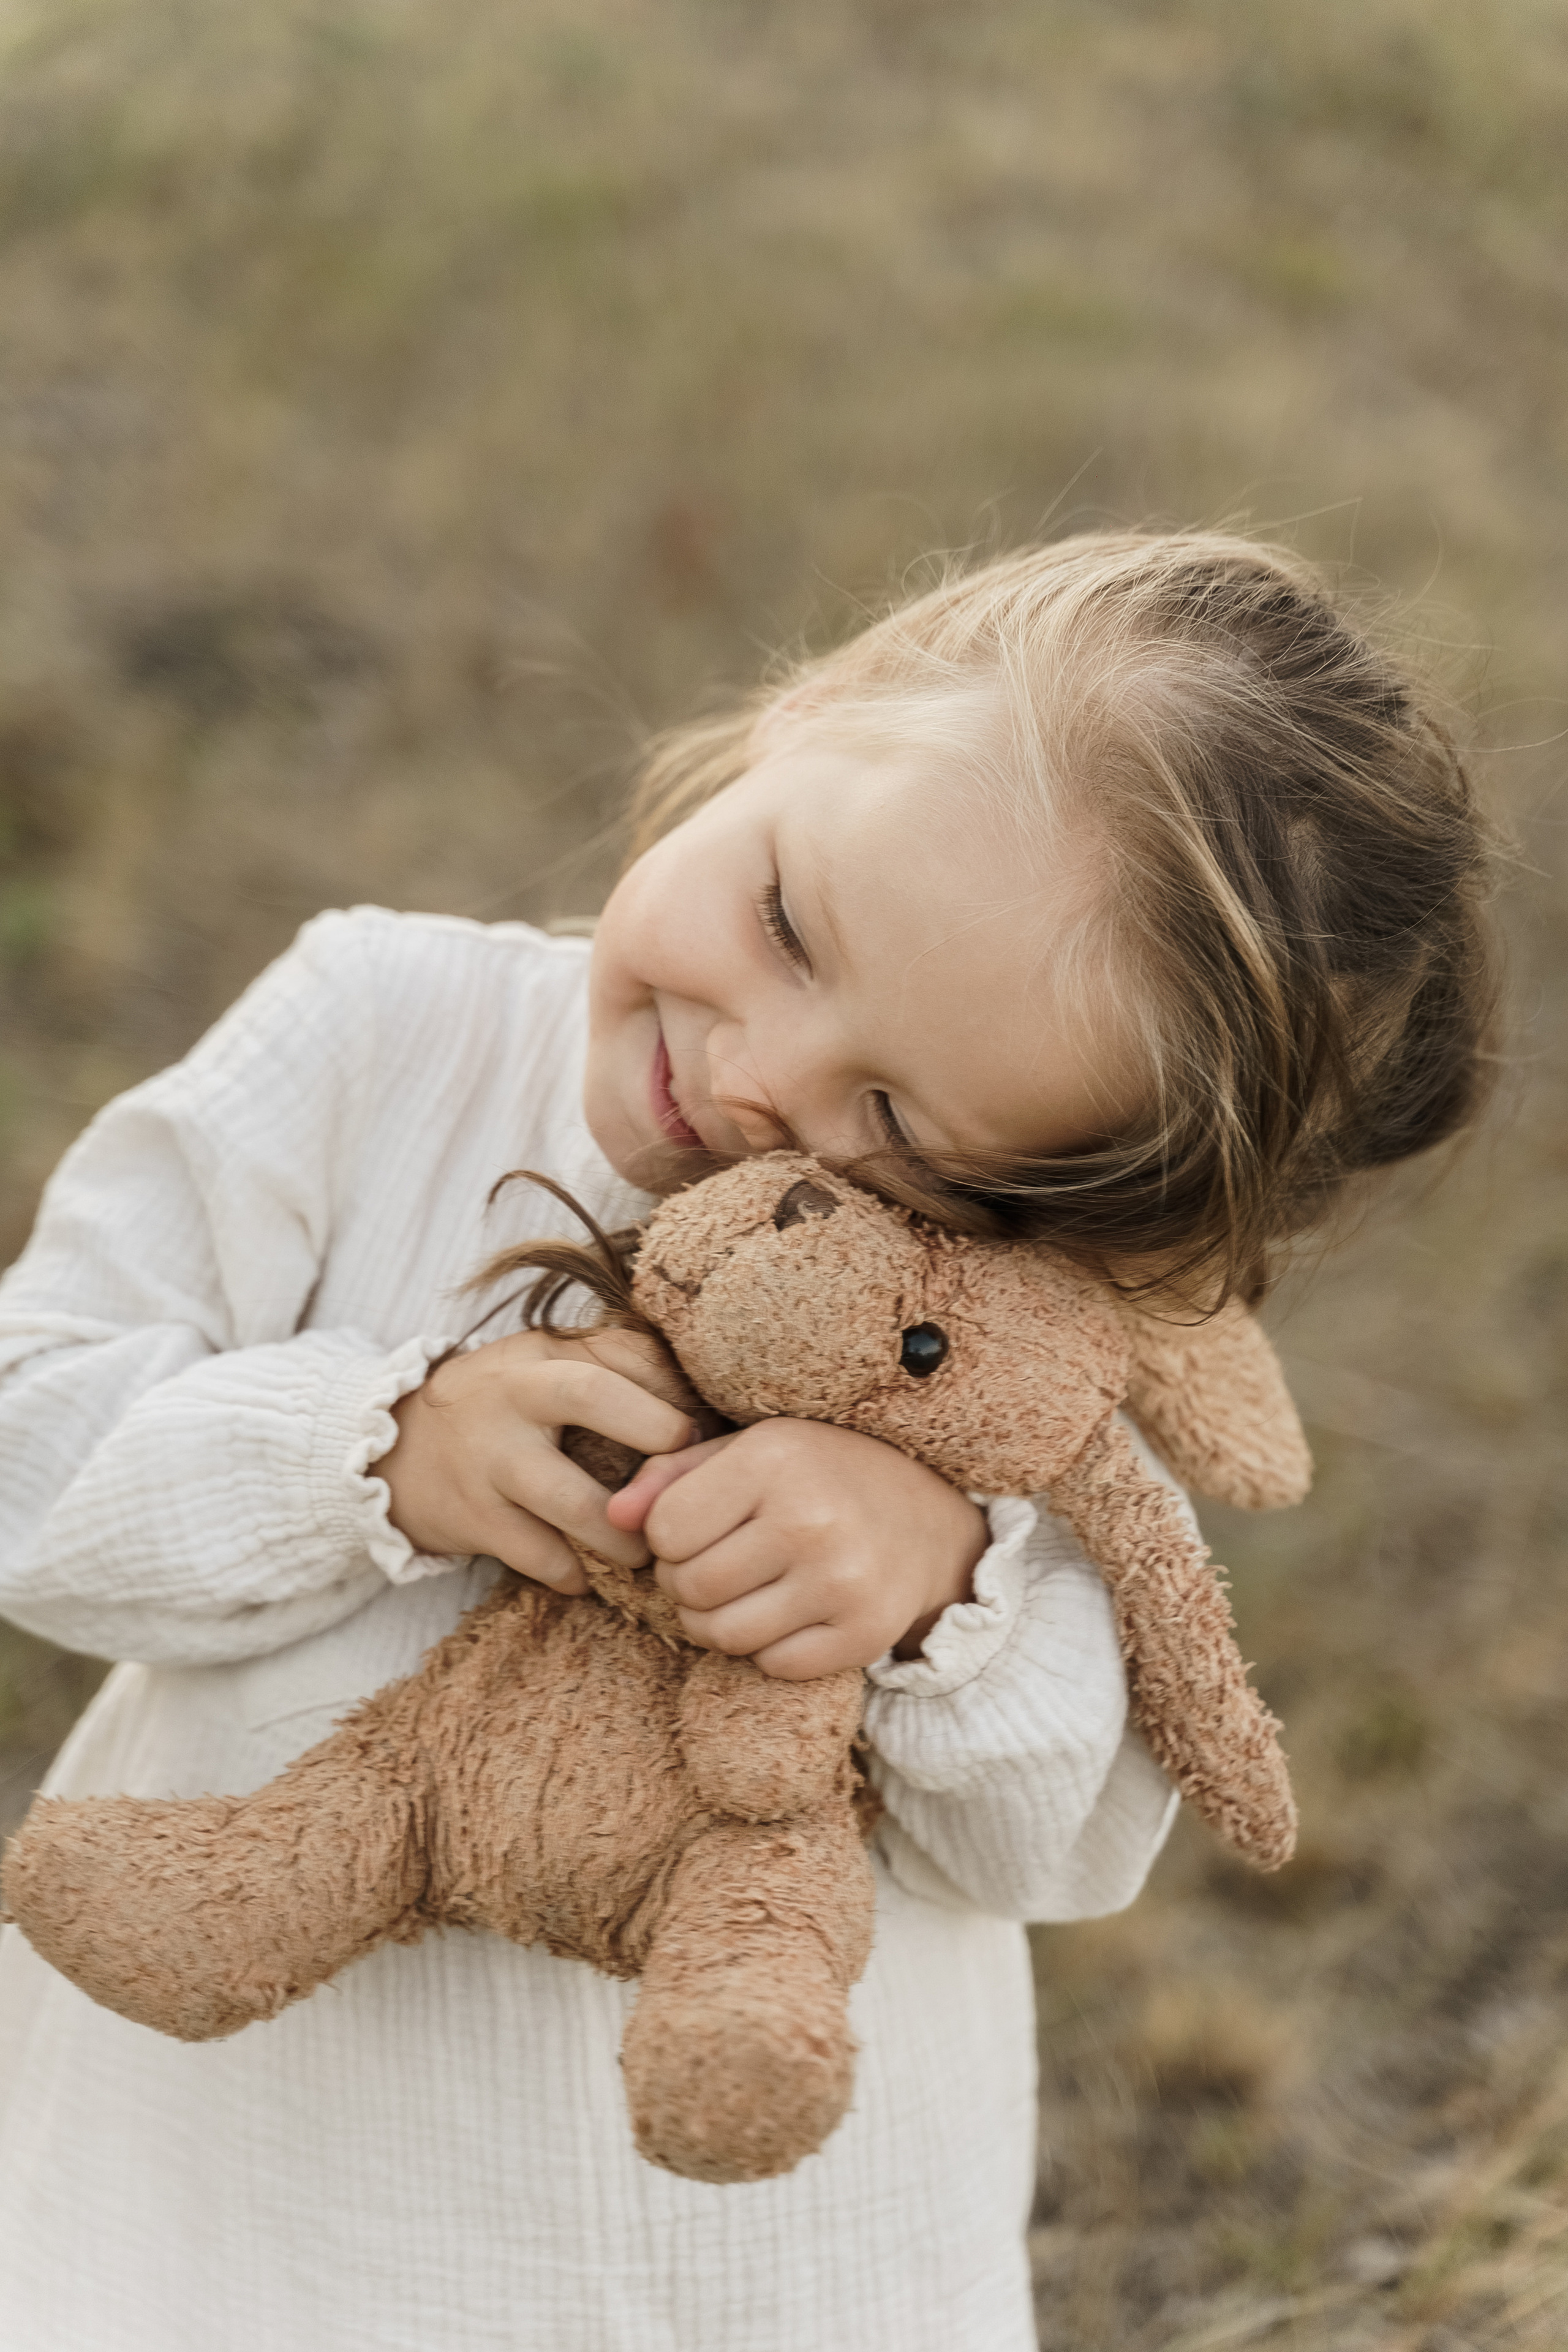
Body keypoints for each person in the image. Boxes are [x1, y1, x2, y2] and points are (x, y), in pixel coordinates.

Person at [0, 531, 1498, 2351]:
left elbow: (1070, 1848)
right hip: (236, 2228)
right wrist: (375, 1446)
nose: (762, 1079)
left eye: (902, 1123)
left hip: (760, 2275)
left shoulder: (1016, 1333)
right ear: (812, 708)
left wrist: (944, 1592)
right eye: (792, 923)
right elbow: (29, 1449)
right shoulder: (375, 1032)